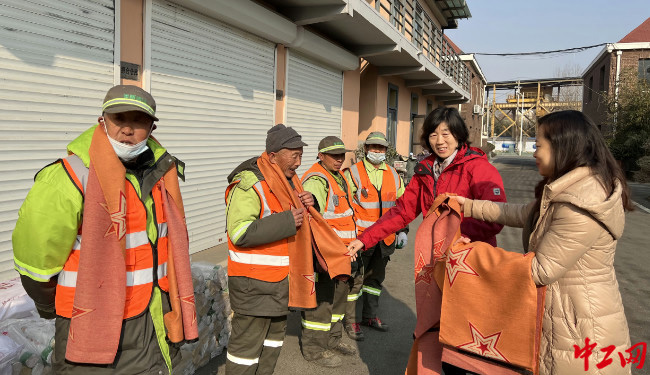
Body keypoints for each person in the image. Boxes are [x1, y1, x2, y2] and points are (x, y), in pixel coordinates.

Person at [12, 85, 198, 374]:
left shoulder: (161, 173)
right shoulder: (67, 178)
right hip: (89, 320)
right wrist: (52, 307)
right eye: (118, 118)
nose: (127, 129)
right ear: (102, 120)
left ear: (151, 127)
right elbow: (36, 265)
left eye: (137, 121)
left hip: (149, 315)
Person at [452, 110, 633, 375]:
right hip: (562, 315)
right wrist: (465, 205)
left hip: (580, 327)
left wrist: (470, 254)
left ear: (563, 146)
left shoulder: (581, 203)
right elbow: (521, 213)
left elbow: (540, 269)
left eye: (538, 145)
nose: (534, 152)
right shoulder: (566, 190)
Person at [224, 124, 351, 375]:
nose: (299, 161)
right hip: (254, 285)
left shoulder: (289, 182)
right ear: (272, 156)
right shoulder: (249, 184)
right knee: (245, 352)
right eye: (293, 155)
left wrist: (308, 201)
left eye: (300, 154)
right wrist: (287, 221)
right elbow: (239, 232)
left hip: (279, 284)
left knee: (272, 345)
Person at [299, 136, 358, 367]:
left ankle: (332, 341)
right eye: (334, 155)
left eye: (342, 155)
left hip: (342, 252)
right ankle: (314, 349)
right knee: (322, 302)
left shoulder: (339, 175)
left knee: (338, 300)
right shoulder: (317, 179)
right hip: (326, 254)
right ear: (321, 156)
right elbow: (315, 211)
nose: (339, 159)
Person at [343, 131, 406, 335]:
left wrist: (403, 230)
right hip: (360, 239)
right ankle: (351, 321)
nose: (377, 151)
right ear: (366, 149)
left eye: (381, 148)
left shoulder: (393, 175)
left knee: (375, 280)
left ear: (386, 151)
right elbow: (343, 206)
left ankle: (369, 316)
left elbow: (403, 205)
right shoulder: (353, 172)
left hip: (385, 239)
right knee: (355, 281)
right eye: (373, 147)